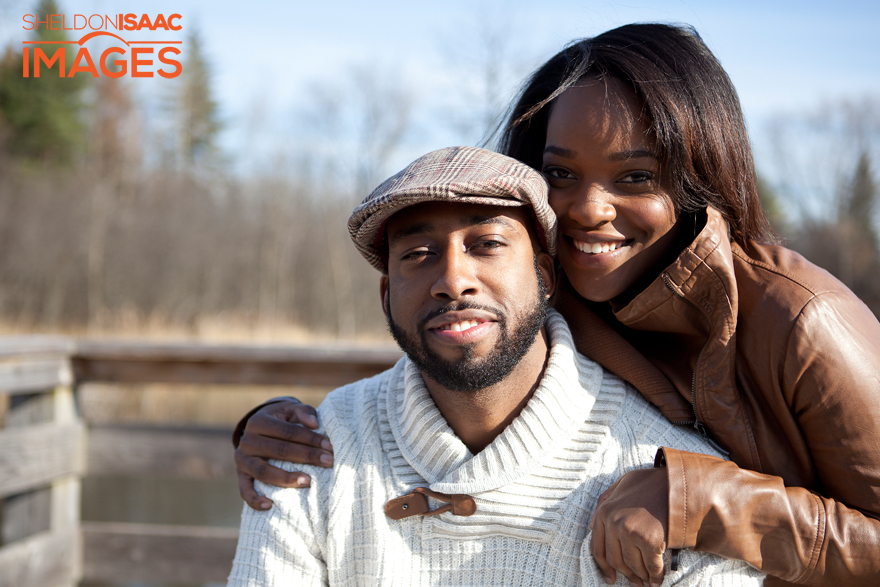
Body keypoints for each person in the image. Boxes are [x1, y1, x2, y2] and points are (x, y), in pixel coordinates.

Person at [231, 24, 880, 587]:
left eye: (635, 177)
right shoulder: (566, 274)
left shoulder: (805, 321)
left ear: (696, 179)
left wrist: (698, 496)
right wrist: (282, 430)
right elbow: (444, 359)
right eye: (562, 174)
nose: (589, 209)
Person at [225, 146, 764, 587]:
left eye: (486, 244)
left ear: (546, 278)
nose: (453, 279)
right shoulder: (307, 452)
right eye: (418, 254)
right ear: (386, 295)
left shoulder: (671, 481)